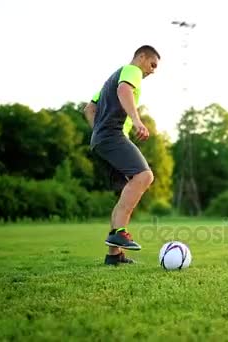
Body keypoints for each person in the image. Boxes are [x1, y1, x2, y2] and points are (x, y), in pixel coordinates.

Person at [83, 45, 160, 265]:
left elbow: (89, 109)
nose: (152, 71)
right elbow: (124, 91)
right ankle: (120, 232)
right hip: (113, 135)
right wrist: (136, 120)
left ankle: (113, 256)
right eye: (152, 64)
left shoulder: (112, 78)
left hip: (101, 138)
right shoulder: (131, 71)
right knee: (144, 176)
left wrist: (97, 132)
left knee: (124, 195)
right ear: (141, 57)